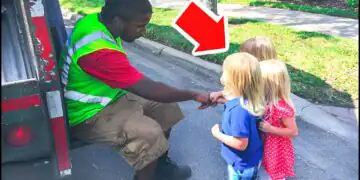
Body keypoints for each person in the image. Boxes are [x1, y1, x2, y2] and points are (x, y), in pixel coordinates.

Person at [59, 0, 211, 180]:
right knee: (149, 134)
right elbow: (149, 89)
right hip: (87, 114)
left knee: (166, 109)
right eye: (140, 25)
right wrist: (194, 94)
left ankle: (160, 168)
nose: (144, 31)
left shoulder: (99, 21)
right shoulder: (97, 51)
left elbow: (145, 87)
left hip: (109, 95)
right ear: (118, 21)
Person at [210, 52, 265, 180]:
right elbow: (236, 103)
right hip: (250, 159)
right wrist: (222, 99)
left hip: (242, 166)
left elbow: (241, 143)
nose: (222, 74)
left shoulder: (239, 111)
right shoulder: (247, 98)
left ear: (234, 80)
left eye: (225, 71)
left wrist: (217, 134)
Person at [259, 60, 298, 180]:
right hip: (265, 143)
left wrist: (270, 128)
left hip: (276, 148)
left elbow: (293, 132)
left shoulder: (281, 107)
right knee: (263, 170)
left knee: (274, 174)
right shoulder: (265, 100)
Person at [209, 36, 277, 103]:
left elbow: (247, 105)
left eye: (243, 53)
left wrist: (222, 100)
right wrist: (221, 93)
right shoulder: (252, 72)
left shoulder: (262, 80)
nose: (239, 54)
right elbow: (237, 90)